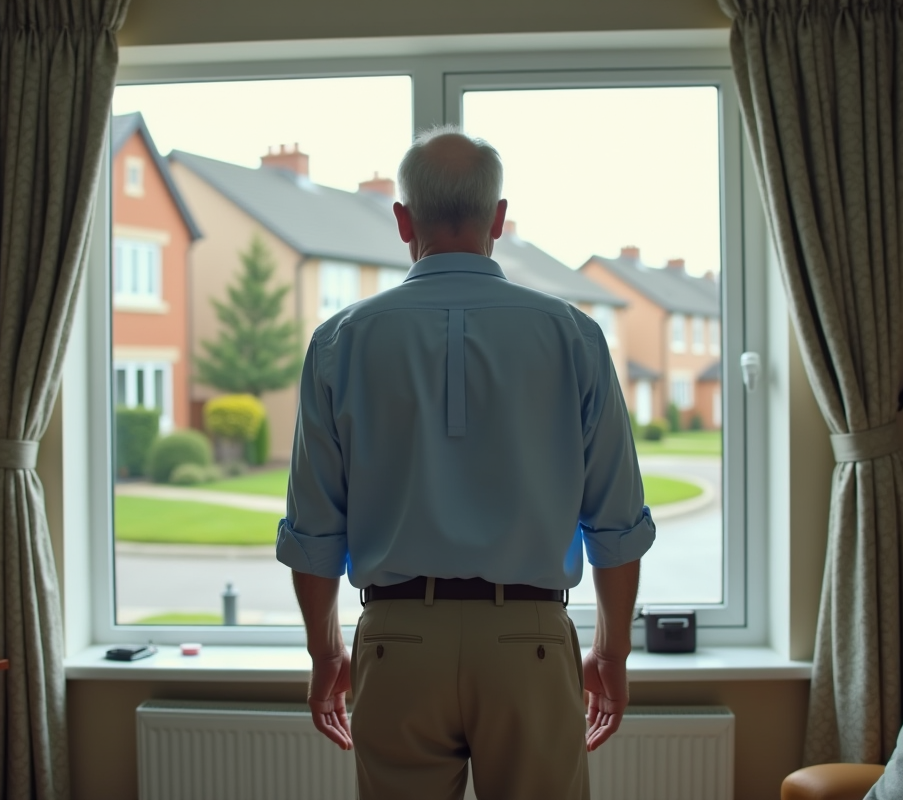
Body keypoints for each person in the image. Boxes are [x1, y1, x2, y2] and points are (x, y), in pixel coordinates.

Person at [276, 126, 656, 800]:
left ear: (401, 221)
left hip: (397, 646)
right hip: (530, 642)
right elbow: (617, 523)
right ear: (500, 219)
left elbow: (314, 530)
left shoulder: (340, 340)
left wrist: (325, 655)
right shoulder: (573, 335)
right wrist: (614, 655)